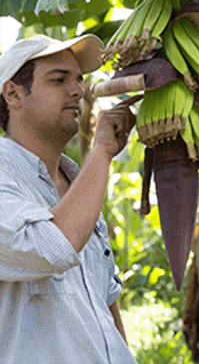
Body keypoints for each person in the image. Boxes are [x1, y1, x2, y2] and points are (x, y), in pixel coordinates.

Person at [0, 34, 138, 363]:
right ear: (13, 93)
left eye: (79, 80)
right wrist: (102, 152)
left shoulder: (77, 182)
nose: (78, 91)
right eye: (58, 80)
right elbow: (52, 247)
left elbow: (105, 303)